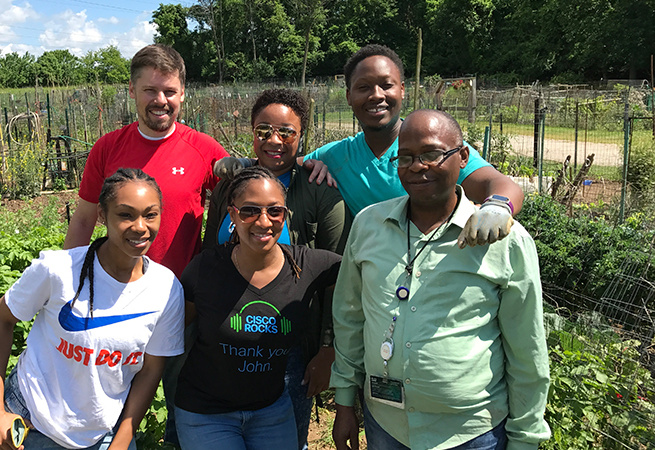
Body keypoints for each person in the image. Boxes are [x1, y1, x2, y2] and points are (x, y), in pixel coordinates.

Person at [330, 109, 550, 450]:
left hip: (471, 434)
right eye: (405, 158)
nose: (417, 166)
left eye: (432, 154)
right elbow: (349, 318)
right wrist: (345, 400)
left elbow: (527, 351)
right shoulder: (368, 225)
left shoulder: (504, 240)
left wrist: (525, 437)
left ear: (462, 157)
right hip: (386, 426)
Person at [0, 168, 185, 450]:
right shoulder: (59, 270)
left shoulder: (166, 288)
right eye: (125, 215)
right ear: (102, 216)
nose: (140, 226)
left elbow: (150, 372)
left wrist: (120, 443)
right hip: (31, 424)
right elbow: (2, 318)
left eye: (150, 214)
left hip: (103, 433)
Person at [203, 89, 349, 449]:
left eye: (287, 132)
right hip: (225, 339)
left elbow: (339, 280)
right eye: (264, 129)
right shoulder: (229, 188)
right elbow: (208, 257)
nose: (274, 140)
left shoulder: (319, 191)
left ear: (302, 138)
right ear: (251, 132)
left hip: (291, 345)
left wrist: (327, 349)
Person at [175, 166, 341, 450]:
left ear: (285, 215)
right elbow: (175, 331)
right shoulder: (205, 270)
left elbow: (367, 271)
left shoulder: (309, 266)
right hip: (206, 412)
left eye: (275, 211)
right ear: (232, 214)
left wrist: (330, 347)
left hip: (271, 410)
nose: (264, 222)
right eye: (250, 211)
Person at [304, 44, 522, 247]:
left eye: (386, 85)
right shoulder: (337, 156)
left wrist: (497, 206)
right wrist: (310, 165)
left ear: (402, 90)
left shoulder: (437, 148)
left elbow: (498, 183)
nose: (376, 95)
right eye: (363, 87)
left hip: (443, 267)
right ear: (349, 97)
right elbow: (284, 167)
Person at [63, 43, 229, 278]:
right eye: (150, 90)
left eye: (170, 91)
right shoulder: (107, 148)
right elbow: (83, 220)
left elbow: (245, 195)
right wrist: (66, 277)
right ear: (132, 89)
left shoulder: (203, 148)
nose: (161, 100)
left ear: (182, 93)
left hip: (181, 290)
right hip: (117, 287)